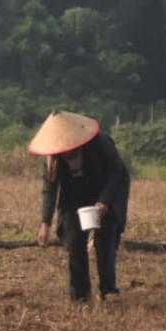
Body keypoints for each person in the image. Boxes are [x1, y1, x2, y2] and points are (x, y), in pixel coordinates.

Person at [30, 110, 131, 303]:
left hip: (107, 188)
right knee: (74, 238)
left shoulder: (99, 144)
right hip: (75, 195)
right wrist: (45, 223)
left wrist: (104, 202)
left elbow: (116, 173)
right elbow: (50, 188)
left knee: (105, 237)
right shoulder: (53, 159)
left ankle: (108, 289)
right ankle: (80, 293)